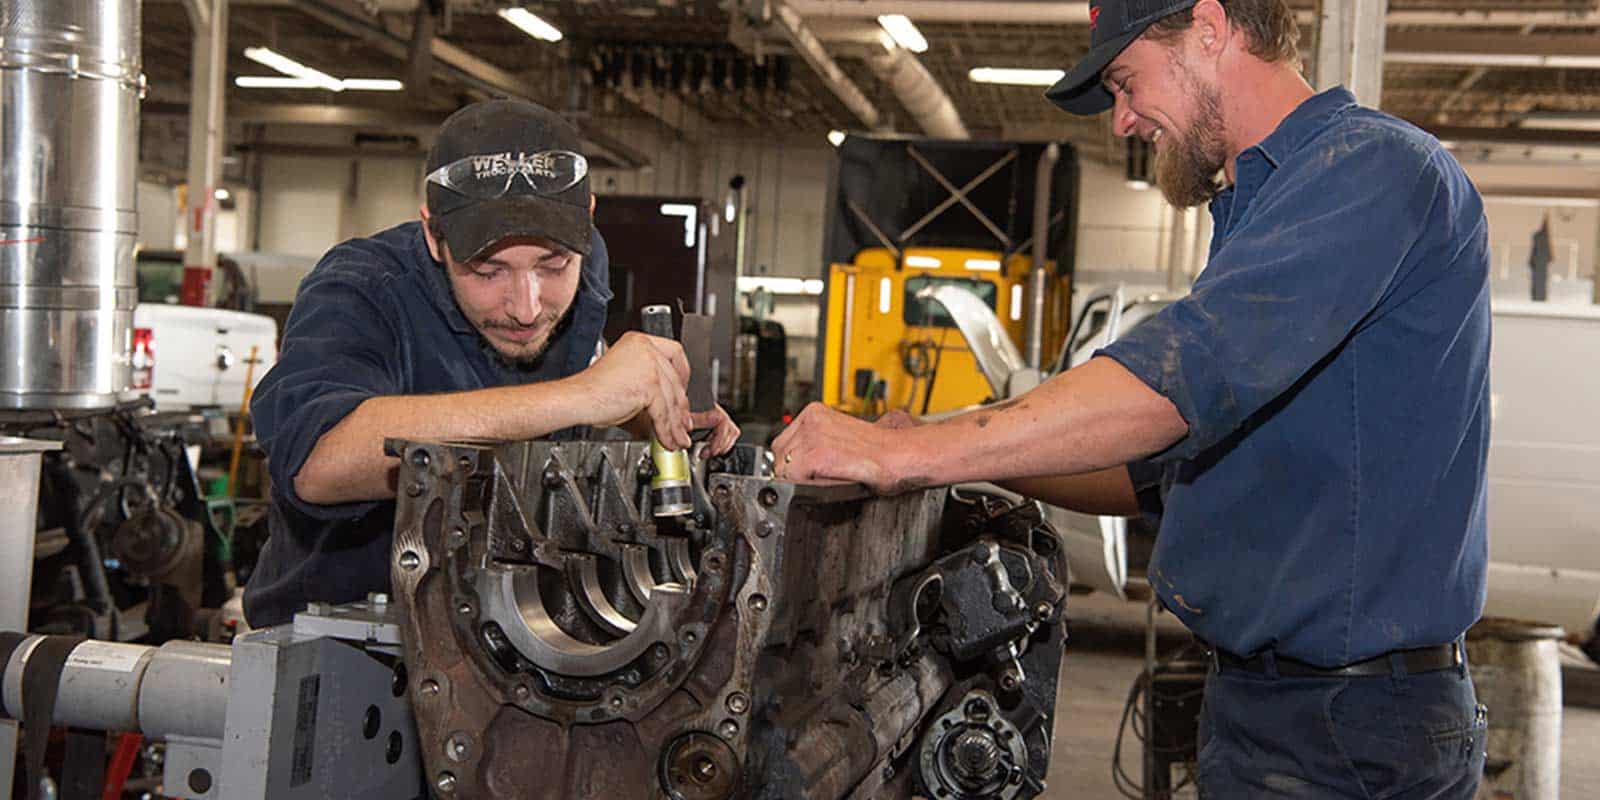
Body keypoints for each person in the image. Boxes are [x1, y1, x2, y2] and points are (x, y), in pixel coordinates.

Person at [774, 0, 1491, 795]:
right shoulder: (1261, 211)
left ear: (1209, 28)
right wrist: (941, 443)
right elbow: (1143, 472)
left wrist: (907, 454)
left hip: (1353, 726)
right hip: (1275, 709)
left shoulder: (1371, 169)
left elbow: (1178, 380)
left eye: (1124, 81)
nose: (1121, 121)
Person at [244, 99, 739, 628]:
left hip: (517, 630)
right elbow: (317, 465)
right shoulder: (361, 289)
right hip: (345, 641)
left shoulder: (586, 258)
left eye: (553, 266)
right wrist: (584, 394)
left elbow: (556, 397)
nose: (526, 307)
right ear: (434, 236)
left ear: (588, 220)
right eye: (488, 271)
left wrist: (638, 412)